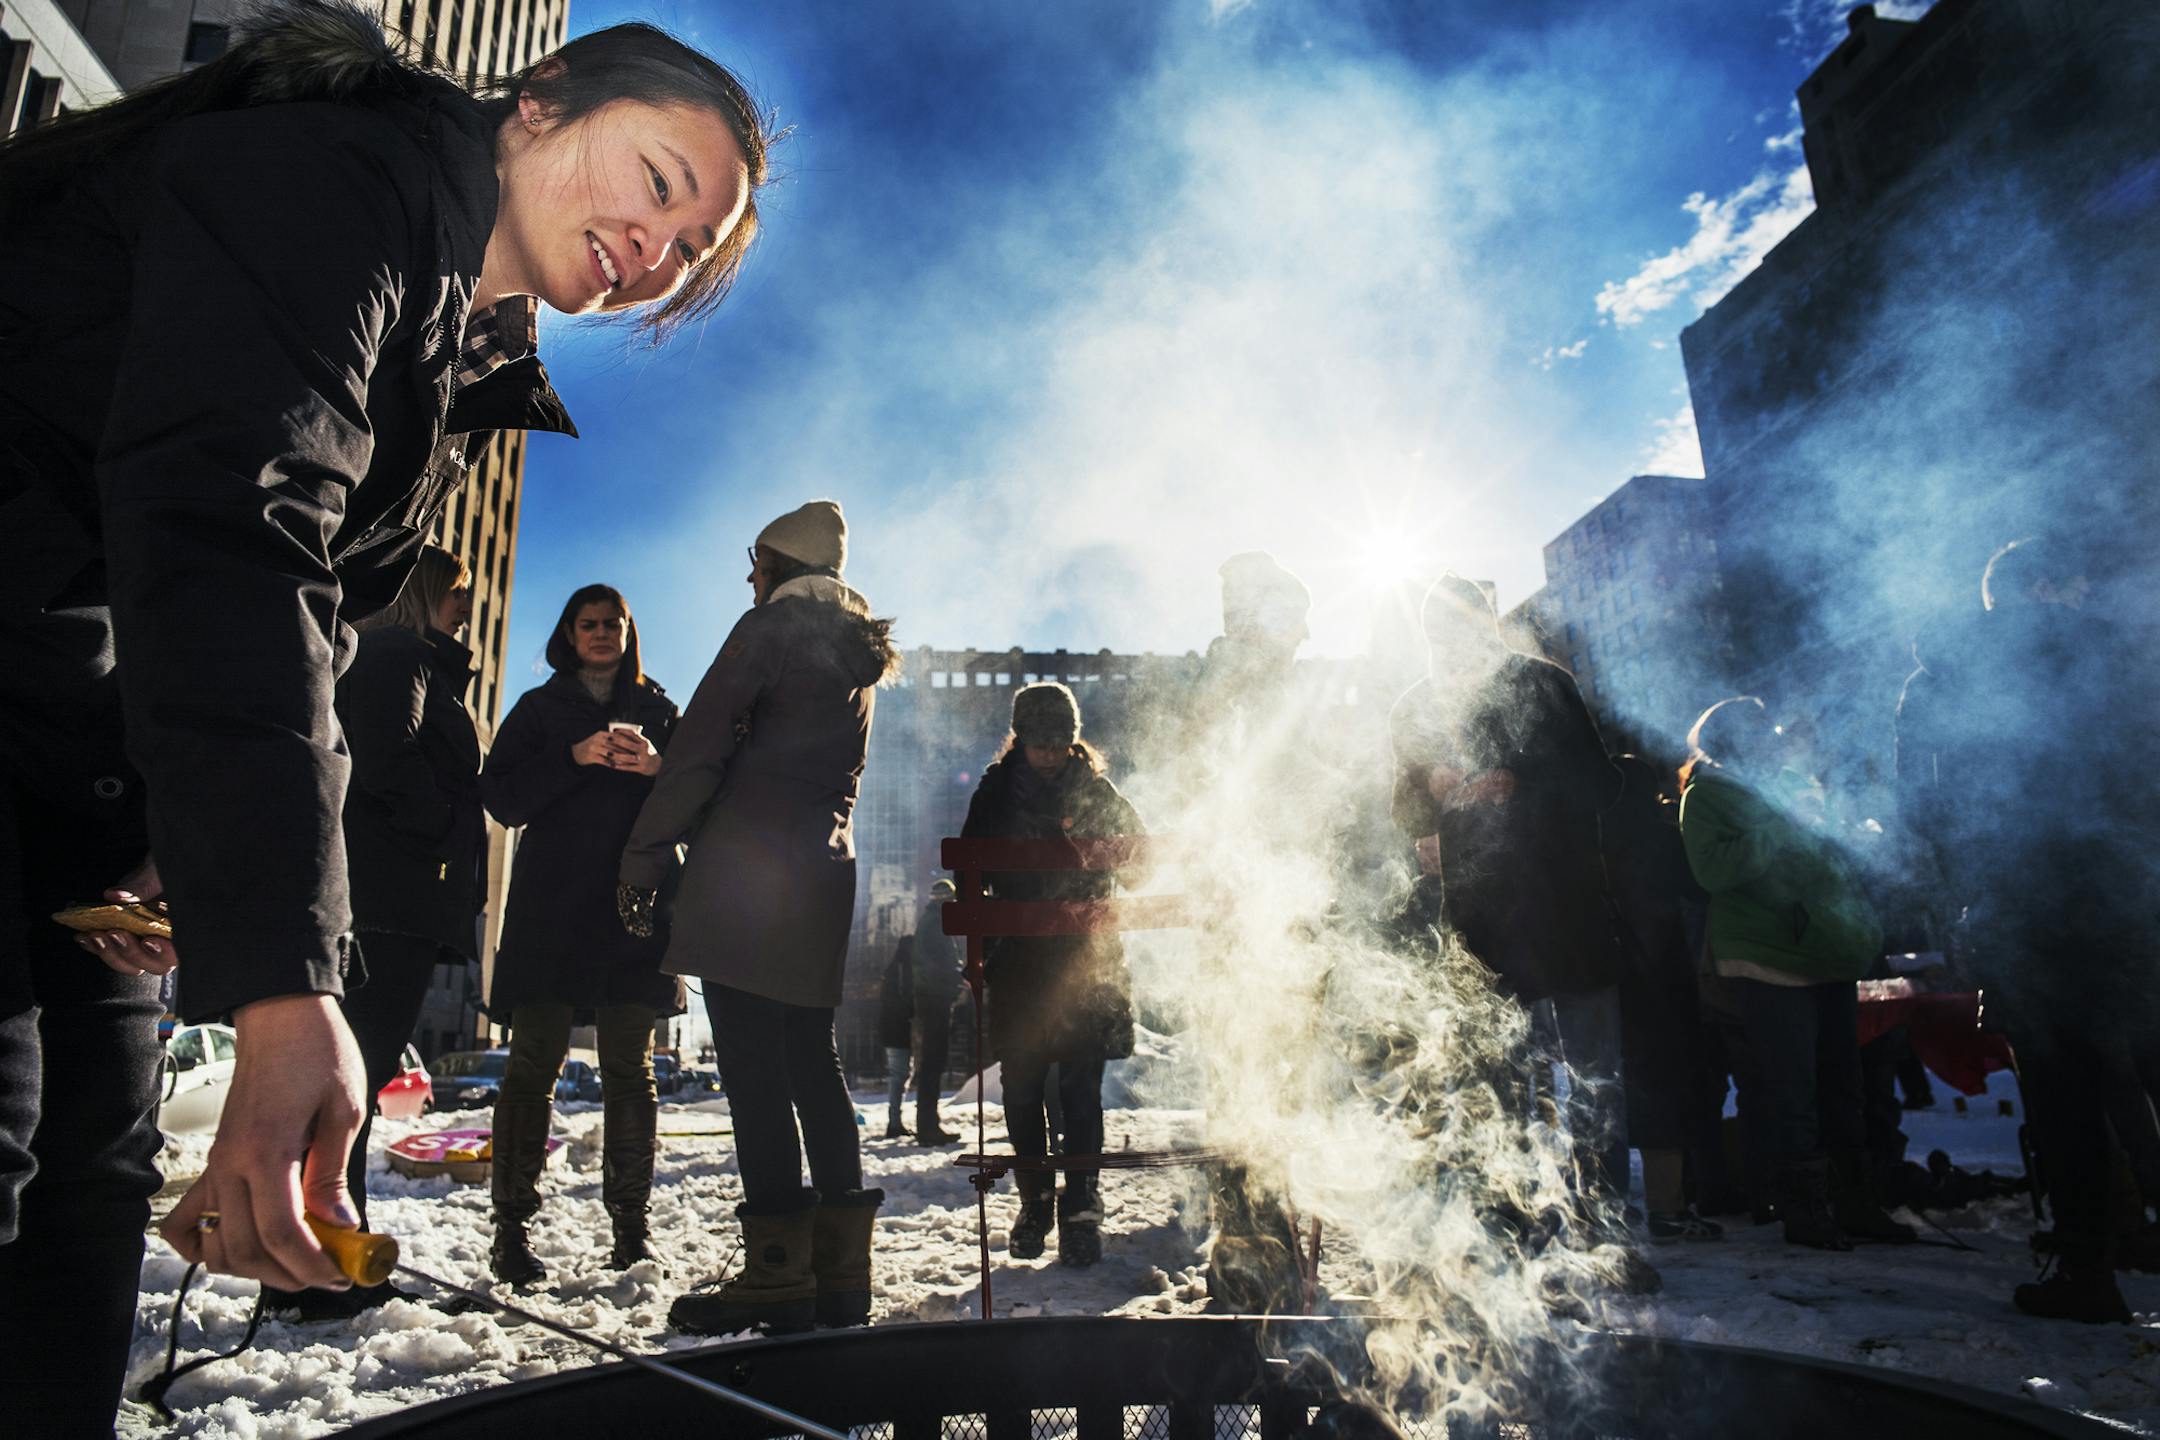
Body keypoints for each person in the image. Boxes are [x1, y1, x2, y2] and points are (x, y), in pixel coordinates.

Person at [0, 3, 770, 1428]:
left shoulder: (447, 341)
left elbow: (320, 647)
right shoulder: (345, 174)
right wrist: (291, 984)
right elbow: (231, 524)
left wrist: (188, 833)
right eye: (661, 185)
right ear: (538, 105)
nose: (655, 255)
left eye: (687, 254)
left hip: (78, 768)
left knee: (94, 1166)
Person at [620, 501, 899, 1334]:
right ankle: (842, 1274)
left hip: (746, 872)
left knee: (752, 1073)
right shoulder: (856, 658)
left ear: (780, 568)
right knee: (811, 1062)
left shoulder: (767, 632)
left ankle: (777, 1277)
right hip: (820, 872)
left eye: (759, 561)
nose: (750, 576)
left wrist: (644, 854)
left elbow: (700, 746)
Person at [1916, 539, 2157, 1321]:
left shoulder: (1956, 674)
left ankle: (2088, 1271)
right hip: (2136, 895)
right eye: (2078, 585)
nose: (2085, 599)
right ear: (2045, 587)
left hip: (2033, 909)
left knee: (2064, 1099)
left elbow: (1940, 806)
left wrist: (1971, 899)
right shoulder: (2126, 654)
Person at [270, 544, 488, 1319]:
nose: (465, 606)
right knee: (347, 1090)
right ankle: (319, 1270)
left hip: (389, 894)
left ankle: (317, 1263)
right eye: (458, 591)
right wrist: (446, 828)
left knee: (347, 1088)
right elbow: (389, 760)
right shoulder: (401, 652)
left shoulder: (398, 654)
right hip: (389, 898)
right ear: (427, 589)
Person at [1388, 576, 1631, 1232]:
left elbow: (1601, 783)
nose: (1450, 643)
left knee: (1593, 1085)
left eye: (1462, 627)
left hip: (1566, 909)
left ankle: (1603, 1229)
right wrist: (1427, 803)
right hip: (1480, 925)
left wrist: (1521, 782)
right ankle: (1511, 1222)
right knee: (1497, 1086)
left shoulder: (1544, 684)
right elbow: (1401, 801)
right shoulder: (1415, 705)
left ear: (1487, 623)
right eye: (1437, 630)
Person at [480, 586, 683, 1282]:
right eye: (587, 624)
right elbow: (501, 797)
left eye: (612, 623)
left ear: (629, 631)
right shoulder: (539, 710)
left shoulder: (659, 707)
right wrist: (572, 757)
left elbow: (701, 797)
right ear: (569, 634)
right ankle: (510, 1232)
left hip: (635, 911)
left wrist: (659, 766)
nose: (600, 633)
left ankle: (633, 1230)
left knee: (633, 1072)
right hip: (550, 912)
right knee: (531, 1067)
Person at [1677, 697, 1911, 1251]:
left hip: (1824, 952)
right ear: (1736, 740)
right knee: (1792, 1092)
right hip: (1767, 962)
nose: (1777, 737)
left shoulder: (1782, 784)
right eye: (1765, 730)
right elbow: (1714, 871)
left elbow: (1824, 858)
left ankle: (1856, 1201)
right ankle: (1804, 1211)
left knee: (1843, 1086)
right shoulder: (1705, 795)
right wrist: (1781, 821)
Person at [961, 682, 1147, 1270]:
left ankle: (1081, 1206)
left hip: (1083, 962)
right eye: (1039, 742)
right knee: (1021, 1083)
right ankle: (1037, 1196)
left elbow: (1141, 862)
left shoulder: (1094, 787)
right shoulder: (995, 790)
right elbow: (970, 863)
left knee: (1078, 1086)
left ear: (1073, 738)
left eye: (1059, 742)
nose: (1049, 753)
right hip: (1021, 962)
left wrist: (1092, 850)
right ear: (1020, 738)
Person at [1603, 755, 1722, 1243]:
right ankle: (1668, 1208)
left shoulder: (1592, 842)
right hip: (1664, 983)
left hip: (1609, 981)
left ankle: (1608, 1210)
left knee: (1607, 1096)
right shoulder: (1659, 837)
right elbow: (1698, 888)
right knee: (1667, 1097)